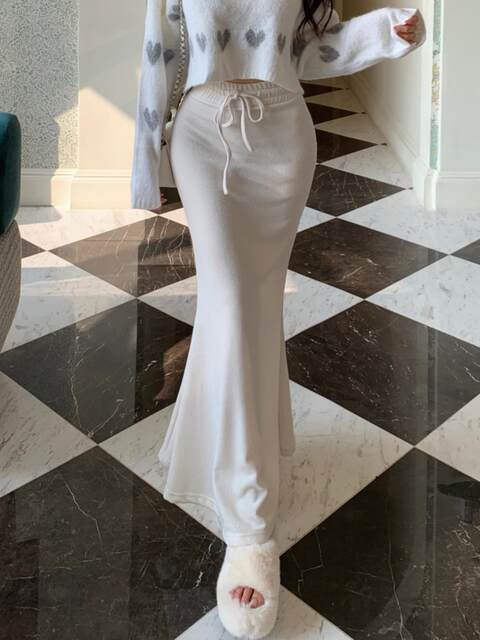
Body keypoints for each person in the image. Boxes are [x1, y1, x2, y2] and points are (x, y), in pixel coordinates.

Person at [130, 2, 426, 637]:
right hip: (204, 135)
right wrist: (144, 162)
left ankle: (212, 446)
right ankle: (250, 528)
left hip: (284, 138)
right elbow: (162, 49)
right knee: (232, 302)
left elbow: (309, 48)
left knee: (255, 309)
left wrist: (385, 33)